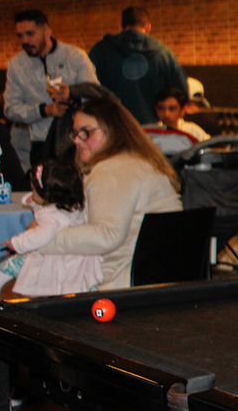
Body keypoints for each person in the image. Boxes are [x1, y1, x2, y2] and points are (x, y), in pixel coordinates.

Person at [37, 96, 182, 290]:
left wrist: (40, 240)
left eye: (86, 132)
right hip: (154, 277)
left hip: (119, 283)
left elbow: (107, 235)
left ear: (113, 131)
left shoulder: (114, 169)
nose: (77, 140)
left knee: (13, 284)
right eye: (75, 133)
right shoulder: (134, 162)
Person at [0, 160, 103, 306]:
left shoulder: (50, 217)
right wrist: (34, 201)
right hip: (75, 259)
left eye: (34, 190)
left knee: (9, 266)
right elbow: (45, 211)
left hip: (52, 259)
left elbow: (41, 236)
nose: (32, 193)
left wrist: (16, 243)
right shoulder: (73, 208)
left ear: (46, 194)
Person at [4, 9, 98, 170]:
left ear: (47, 31)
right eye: (20, 36)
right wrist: (44, 110)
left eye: (30, 34)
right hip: (40, 144)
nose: (25, 40)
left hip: (75, 142)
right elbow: (10, 110)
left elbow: (95, 95)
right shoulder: (16, 65)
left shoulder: (75, 56)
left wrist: (72, 96)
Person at [89, 6, 189, 125]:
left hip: (114, 125)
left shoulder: (100, 51)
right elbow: (181, 93)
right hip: (153, 126)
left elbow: (90, 90)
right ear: (148, 28)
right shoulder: (164, 54)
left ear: (120, 27)